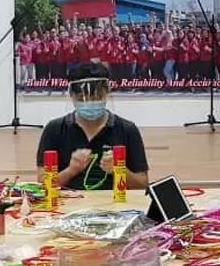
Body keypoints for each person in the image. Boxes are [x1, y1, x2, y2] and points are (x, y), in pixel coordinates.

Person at [36, 62, 149, 190]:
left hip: (113, 200)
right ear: (72, 95)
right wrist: (71, 170)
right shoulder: (54, 129)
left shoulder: (127, 130)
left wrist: (119, 170)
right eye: (82, 98)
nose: (90, 103)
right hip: (68, 200)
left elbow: (142, 185)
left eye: (97, 97)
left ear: (107, 92)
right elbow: (43, 186)